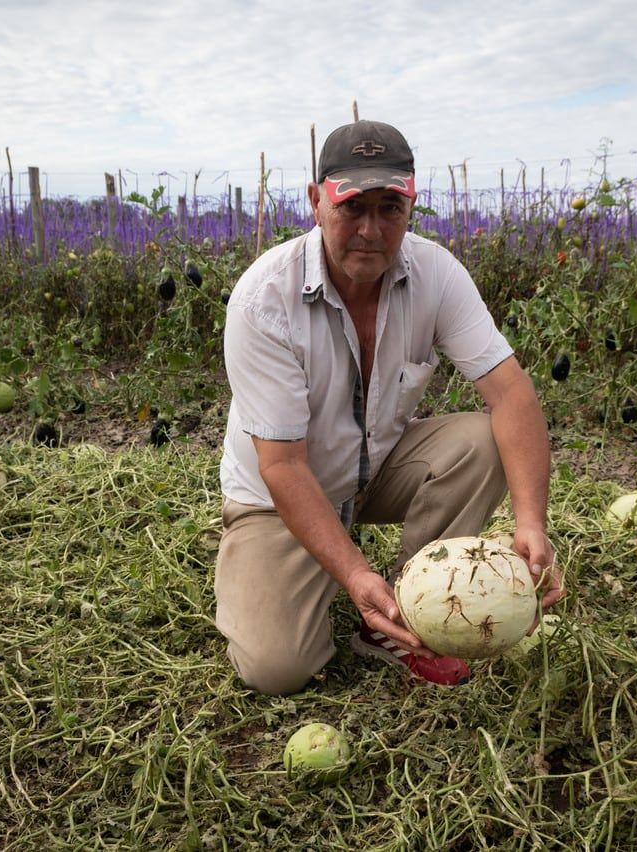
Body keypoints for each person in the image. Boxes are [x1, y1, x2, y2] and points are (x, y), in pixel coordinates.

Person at [215, 119, 563, 696]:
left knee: (481, 443)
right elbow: (282, 465)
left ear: (411, 206)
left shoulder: (435, 274)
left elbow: (513, 395)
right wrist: (355, 574)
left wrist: (530, 524)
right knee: (277, 668)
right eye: (352, 207)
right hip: (278, 499)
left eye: (389, 209)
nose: (370, 230)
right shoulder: (264, 300)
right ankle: (270, 561)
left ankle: (408, 610)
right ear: (316, 200)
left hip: (373, 472)